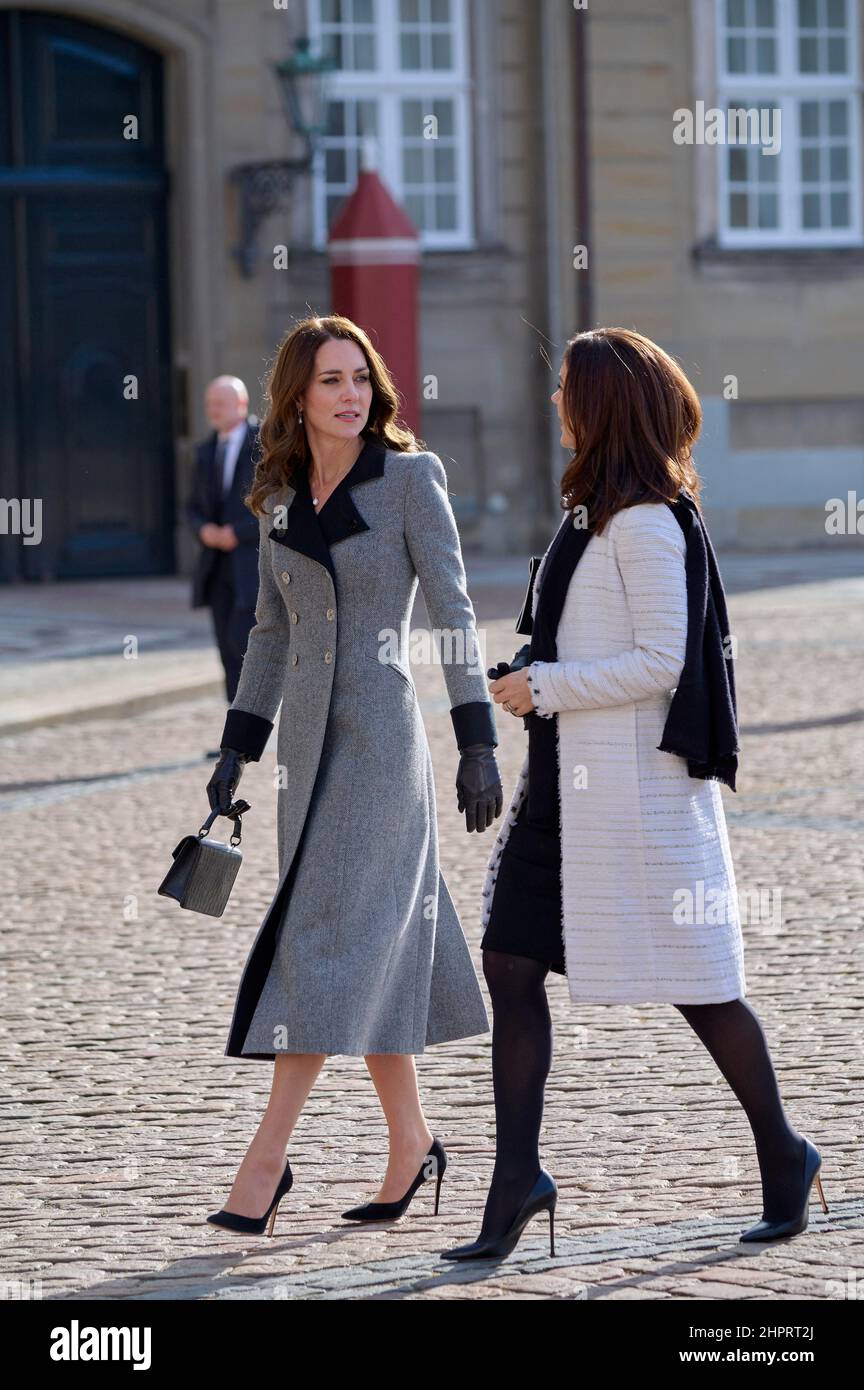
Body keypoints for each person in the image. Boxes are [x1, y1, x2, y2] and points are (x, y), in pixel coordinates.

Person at [441, 327, 829, 1262]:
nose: (556, 408)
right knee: (510, 965)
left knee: (699, 985)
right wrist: (535, 666)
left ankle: (785, 1153)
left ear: (603, 407)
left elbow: (662, 661)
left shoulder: (648, 522)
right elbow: (590, 636)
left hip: (631, 797)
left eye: (568, 392)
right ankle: (516, 1180)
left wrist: (550, 686)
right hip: (565, 790)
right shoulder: (593, 516)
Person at [203, 315, 503, 1236]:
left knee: (324, 944)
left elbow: (453, 608)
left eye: (361, 379)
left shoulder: (411, 479)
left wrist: (477, 737)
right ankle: (411, 1142)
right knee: (358, 943)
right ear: (298, 395)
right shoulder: (278, 498)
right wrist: (235, 746)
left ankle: (264, 1166)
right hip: (302, 751)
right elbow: (269, 631)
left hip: (380, 747)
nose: (351, 395)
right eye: (331, 380)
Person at [185, 376, 260, 751]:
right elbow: (193, 508)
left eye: (221, 403)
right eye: (209, 403)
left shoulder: (264, 445)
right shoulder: (204, 451)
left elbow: (277, 503)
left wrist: (238, 532)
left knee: (247, 647)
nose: (213, 410)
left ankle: (255, 729)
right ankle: (235, 740)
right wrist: (206, 532)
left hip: (253, 568)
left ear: (242, 405)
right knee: (226, 650)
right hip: (217, 569)